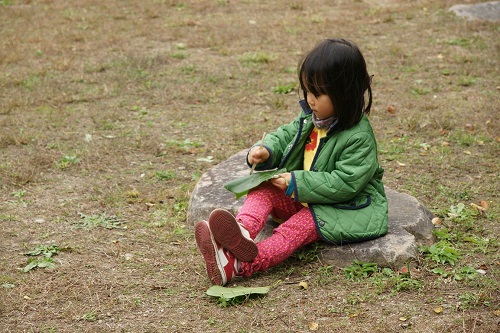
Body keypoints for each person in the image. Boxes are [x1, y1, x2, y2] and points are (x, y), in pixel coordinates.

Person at [195, 38, 388, 286]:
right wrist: (266, 150)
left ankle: (242, 264)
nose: (310, 99)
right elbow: (287, 134)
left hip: (345, 208)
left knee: (296, 228)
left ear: (345, 93)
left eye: (318, 93)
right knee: (262, 187)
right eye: (307, 90)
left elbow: (345, 183)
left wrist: (295, 181)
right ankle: (239, 234)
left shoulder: (358, 137)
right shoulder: (314, 117)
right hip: (307, 197)